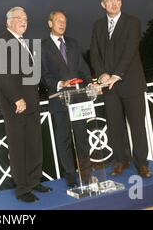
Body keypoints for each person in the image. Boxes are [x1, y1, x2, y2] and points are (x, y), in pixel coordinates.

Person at [90, 0, 152, 178]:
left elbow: (130, 51)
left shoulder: (133, 22)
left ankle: (142, 164)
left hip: (131, 83)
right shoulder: (98, 26)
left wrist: (116, 74)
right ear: (103, 5)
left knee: (137, 127)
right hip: (109, 88)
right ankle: (121, 161)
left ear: (121, 2)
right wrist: (101, 75)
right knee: (115, 127)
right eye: (109, 1)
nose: (114, 3)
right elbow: (94, 53)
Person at [0, 6, 51, 203]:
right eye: (19, 18)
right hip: (16, 105)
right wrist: (16, 98)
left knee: (34, 144)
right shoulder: (2, 41)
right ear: (8, 22)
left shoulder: (23, 42)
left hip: (32, 103)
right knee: (19, 148)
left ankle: (34, 181)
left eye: (26, 18)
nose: (24, 21)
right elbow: (2, 75)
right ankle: (22, 188)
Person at [41, 10, 93, 188]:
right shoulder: (42, 47)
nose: (62, 24)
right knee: (63, 138)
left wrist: (91, 84)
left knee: (81, 136)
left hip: (79, 98)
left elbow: (83, 68)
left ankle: (86, 173)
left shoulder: (73, 43)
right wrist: (60, 83)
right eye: (58, 21)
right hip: (58, 99)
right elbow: (43, 75)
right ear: (50, 23)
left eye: (64, 21)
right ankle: (70, 174)